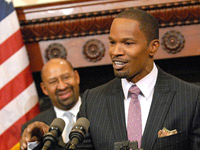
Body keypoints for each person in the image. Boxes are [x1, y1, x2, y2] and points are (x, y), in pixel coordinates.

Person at [21, 9, 200, 150]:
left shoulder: (190, 98)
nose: (115, 52)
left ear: (152, 47)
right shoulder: (94, 100)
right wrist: (41, 142)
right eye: (112, 42)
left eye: (127, 43)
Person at [20, 58, 81, 150]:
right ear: (44, 88)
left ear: (76, 77)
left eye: (66, 77)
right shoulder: (34, 131)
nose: (62, 86)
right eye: (53, 82)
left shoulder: (100, 108)